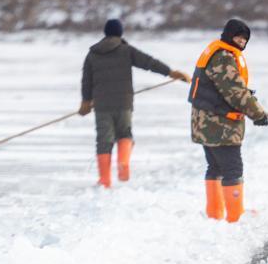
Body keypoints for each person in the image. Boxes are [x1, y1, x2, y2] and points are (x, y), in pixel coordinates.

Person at [79, 19, 190, 188]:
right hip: (123, 102)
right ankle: (123, 162)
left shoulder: (93, 54)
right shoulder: (126, 50)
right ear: (120, 33)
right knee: (124, 133)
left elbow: (86, 80)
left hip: (102, 104)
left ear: (105, 33)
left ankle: (104, 180)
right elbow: (149, 63)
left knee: (104, 140)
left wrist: (86, 102)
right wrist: (170, 72)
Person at [188, 18, 268, 223]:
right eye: (238, 37)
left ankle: (215, 215)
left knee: (215, 166)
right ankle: (235, 217)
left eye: (244, 39)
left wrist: (248, 97)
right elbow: (234, 92)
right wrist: (257, 113)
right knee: (232, 169)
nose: (241, 42)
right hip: (219, 124)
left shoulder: (218, 53)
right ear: (228, 35)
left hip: (205, 121)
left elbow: (223, 87)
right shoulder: (223, 57)